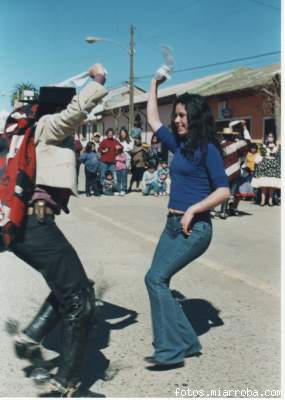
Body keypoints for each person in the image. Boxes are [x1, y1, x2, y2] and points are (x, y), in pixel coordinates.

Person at [0, 64, 107, 395]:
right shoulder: (45, 125)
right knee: (80, 299)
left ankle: (31, 337)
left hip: (28, 224)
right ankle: (67, 383)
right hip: (36, 222)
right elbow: (73, 114)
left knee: (73, 286)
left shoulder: (33, 128)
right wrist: (98, 81)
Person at [144, 75, 229, 371]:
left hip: (195, 228)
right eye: (176, 115)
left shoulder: (208, 150)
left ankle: (169, 350)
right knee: (157, 279)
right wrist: (154, 83)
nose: (177, 120)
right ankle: (189, 343)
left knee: (155, 279)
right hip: (172, 225)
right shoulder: (177, 144)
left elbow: (223, 190)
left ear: (195, 117)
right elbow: (153, 118)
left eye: (182, 115)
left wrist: (193, 209)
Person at [218, 126, 249, 219]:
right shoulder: (237, 145)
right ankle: (231, 208)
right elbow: (248, 143)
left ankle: (223, 211)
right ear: (232, 135)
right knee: (233, 191)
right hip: (235, 170)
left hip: (223, 171)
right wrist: (244, 128)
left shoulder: (219, 145)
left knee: (225, 192)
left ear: (223, 136)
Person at [251, 132, 281, 206]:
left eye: (272, 137)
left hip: (274, 165)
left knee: (271, 185)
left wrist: (277, 146)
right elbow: (261, 153)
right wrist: (262, 143)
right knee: (263, 184)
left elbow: (278, 155)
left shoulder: (277, 146)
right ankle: (263, 201)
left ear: (274, 138)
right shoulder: (263, 146)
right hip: (264, 165)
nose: (270, 138)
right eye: (269, 136)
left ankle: (270, 201)